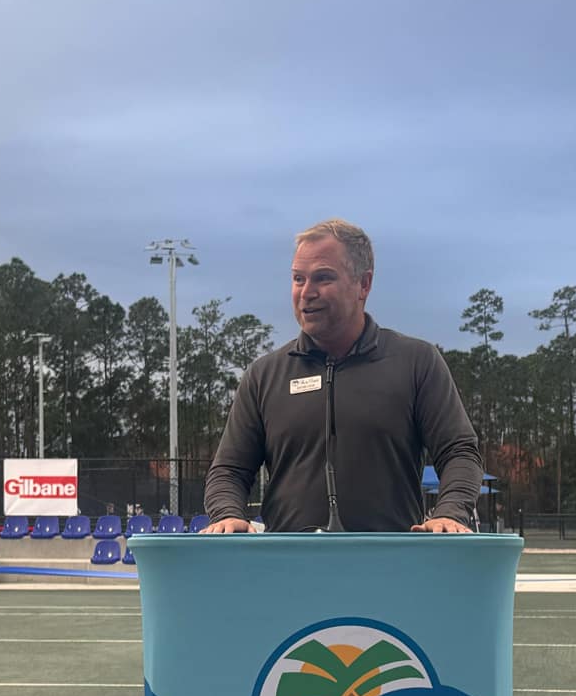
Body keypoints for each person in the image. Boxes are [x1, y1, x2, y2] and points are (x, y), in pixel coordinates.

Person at [202, 219, 480, 534]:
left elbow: (459, 451)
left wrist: (450, 512)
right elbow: (229, 471)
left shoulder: (416, 362)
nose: (306, 292)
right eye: (298, 279)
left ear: (364, 284)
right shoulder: (264, 375)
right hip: (289, 571)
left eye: (323, 278)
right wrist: (226, 514)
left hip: (390, 569)